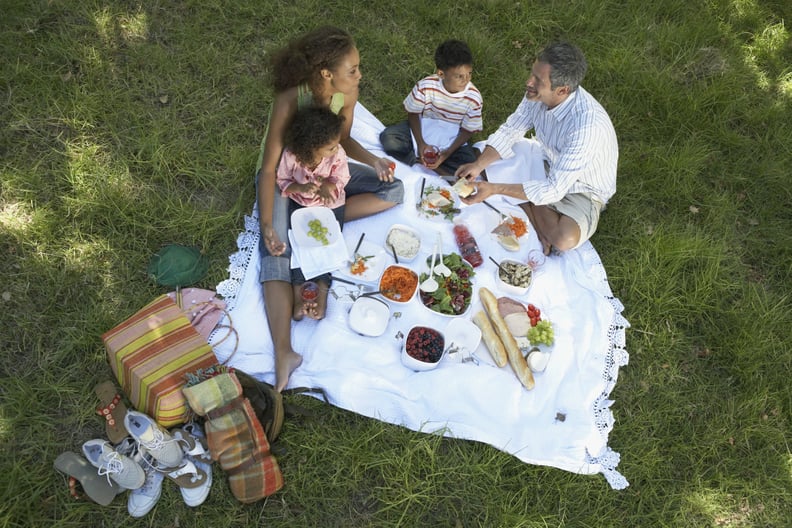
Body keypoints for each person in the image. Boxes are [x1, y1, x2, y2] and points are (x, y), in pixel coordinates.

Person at [256, 27, 404, 391]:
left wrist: (373, 160)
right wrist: (267, 223)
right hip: (285, 178)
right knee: (275, 254)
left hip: (327, 174)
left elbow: (345, 141)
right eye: (352, 69)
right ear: (326, 73)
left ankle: (317, 215)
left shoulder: (348, 92)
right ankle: (283, 351)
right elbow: (271, 168)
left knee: (395, 189)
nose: (359, 75)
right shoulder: (292, 98)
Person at [455, 41, 618, 255]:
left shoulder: (586, 128)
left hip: (582, 189)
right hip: (546, 160)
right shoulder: (536, 93)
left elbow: (554, 189)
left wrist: (495, 188)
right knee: (478, 157)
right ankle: (531, 207)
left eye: (538, 80)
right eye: (532, 74)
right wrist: (478, 165)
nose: (529, 82)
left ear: (562, 90)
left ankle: (528, 205)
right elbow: (512, 129)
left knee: (563, 238)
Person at [277, 106, 350, 321]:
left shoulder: (337, 155)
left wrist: (329, 186)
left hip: (330, 205)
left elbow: (342, 177)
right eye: (330, 147)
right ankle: (299, 294)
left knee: (327, 245)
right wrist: (298, 189)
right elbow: (282, 181)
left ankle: (322, 293)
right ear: (311, 147)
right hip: (301, 206)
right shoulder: (291, 156)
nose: (336, 149)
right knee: (301, 249)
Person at [379, 39, 483, 176]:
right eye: (459, 76)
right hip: (423, 129)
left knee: (469, 164)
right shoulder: (426, 86)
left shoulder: (473, 98)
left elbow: (468, 130)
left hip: (451, 139)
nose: (466, 80)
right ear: (441, 74)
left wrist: (446, 153)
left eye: (469, 73)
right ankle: (418, 161)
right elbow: (413, 113)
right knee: (389, 138)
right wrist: (421, 143)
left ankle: (435, 166)